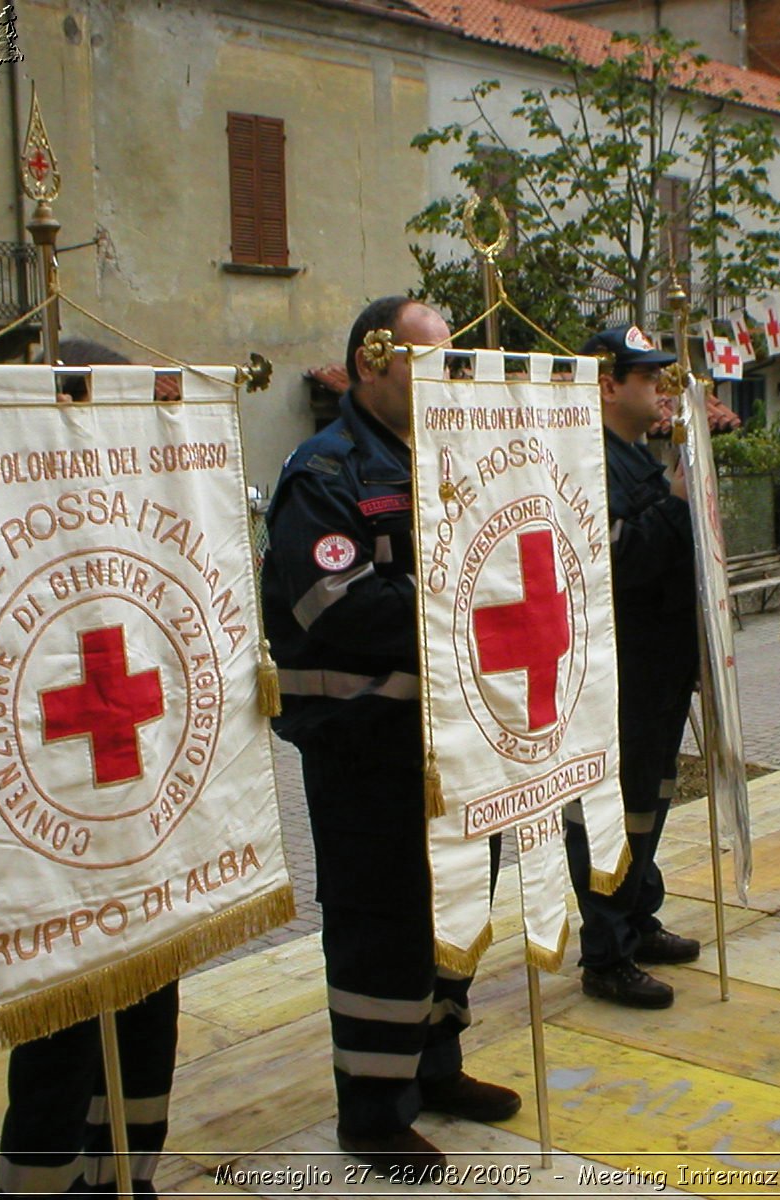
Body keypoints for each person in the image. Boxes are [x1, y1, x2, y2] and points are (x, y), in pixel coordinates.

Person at [261, 297, 520, 1172]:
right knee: (380, 922)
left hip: (450, 741)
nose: (447, 380)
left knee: (452, 904)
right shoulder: (323, 473)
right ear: (374, 361)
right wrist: (461, 596)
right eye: (431, 361)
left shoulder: (444, 458)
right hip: (365, 746)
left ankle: (434, 1066)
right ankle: (372, 1110)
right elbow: (333, 607)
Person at [0, 339, 181, 1200]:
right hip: (54, 834)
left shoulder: (145, 504)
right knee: (60, 1037)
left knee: (148, 1015)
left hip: (144, 809)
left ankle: (127, 1179)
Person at [565, 324, 702, 1010]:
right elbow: (615, 562)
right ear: (607, 383)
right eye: (648, 377)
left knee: (652, 801)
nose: (661, 389)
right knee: (614, 810)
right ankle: (606, 950)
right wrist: (674, 502)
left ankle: (636, 912)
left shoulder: (638, 455)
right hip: (623, 665)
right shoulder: (586, 459)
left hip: (662, 662)